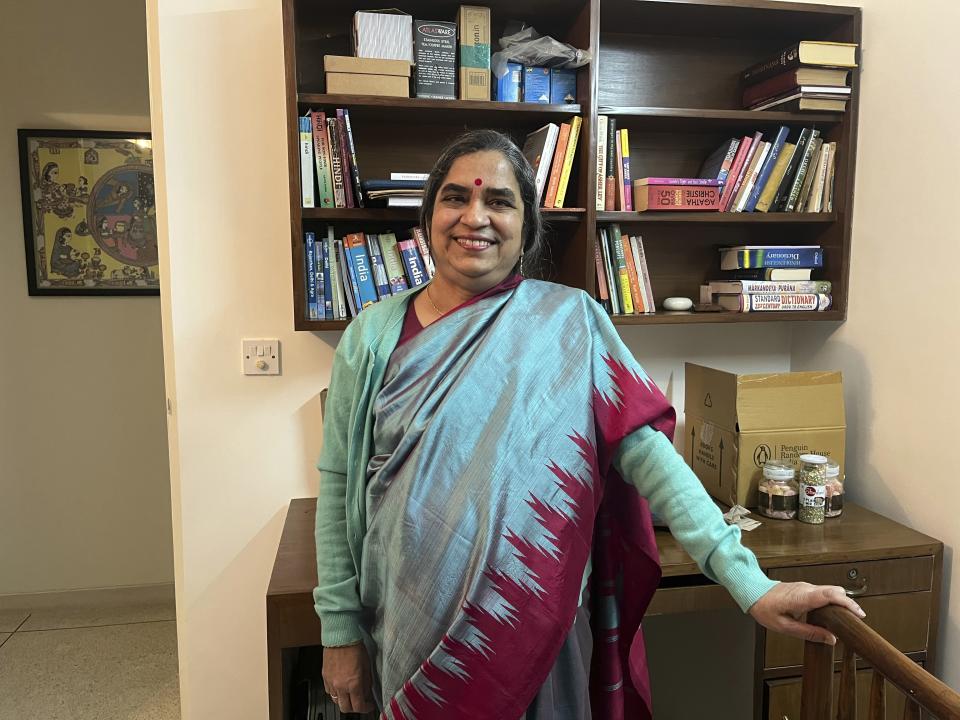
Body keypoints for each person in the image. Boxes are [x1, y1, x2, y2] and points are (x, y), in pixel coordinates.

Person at [314, 130, 864, 719]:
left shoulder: (570, 323)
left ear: (526, 226)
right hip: (403, 625)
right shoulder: (371, 336)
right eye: (454, 198)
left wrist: (752, 583)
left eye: (499, 201)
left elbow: (653, 461)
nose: (474, 216)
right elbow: (339, 486)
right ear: (428, 217)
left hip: (534, 625)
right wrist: (339, 632)